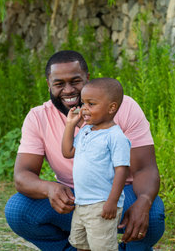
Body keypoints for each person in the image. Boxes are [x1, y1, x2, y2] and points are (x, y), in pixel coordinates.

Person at [5, 50, 165, 250]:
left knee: (153, 214)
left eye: (75, 81)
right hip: (74, 198)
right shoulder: (38, 117)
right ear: (48, 84)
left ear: (87, 79)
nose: (69, 90)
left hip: (120, 194)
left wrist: (144, 200)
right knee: (18, 210)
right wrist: (49, 188)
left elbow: (145, 168)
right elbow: (22, 175)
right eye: (59, 83)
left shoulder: (123, 107)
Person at [62, 78, 130, 251]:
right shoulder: (86, 130)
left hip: (102, 203)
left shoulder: (115, 137)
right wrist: (70, 125)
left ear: (111, 107)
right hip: (82, 202)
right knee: (81, 245)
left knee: (102, 247)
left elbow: (122, 170)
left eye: (91, 104)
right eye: (83, 103)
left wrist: (112, 202)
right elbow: (67, 152)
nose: (84, 108)